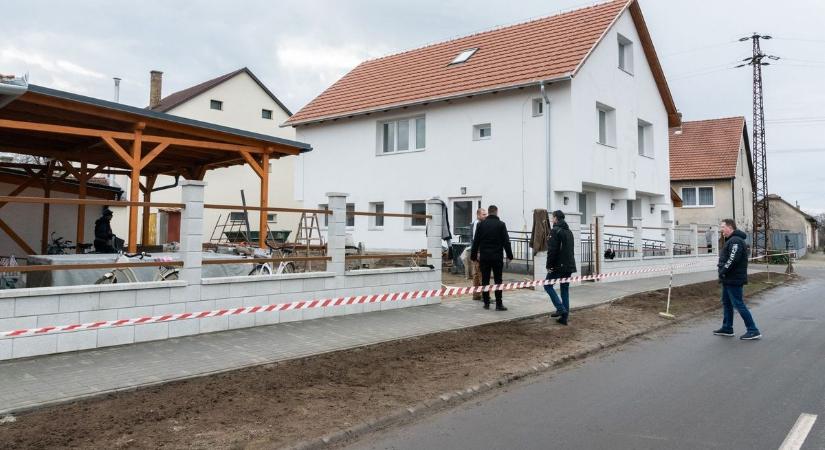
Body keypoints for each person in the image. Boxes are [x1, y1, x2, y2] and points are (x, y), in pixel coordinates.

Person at [714, 219, 761, 340]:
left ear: (730, 227)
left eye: (723, 227)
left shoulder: (735, 241)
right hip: (728, 279)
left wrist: (723, 271)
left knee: (738, 304)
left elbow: (732, 259)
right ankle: (727, 328)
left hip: (734, 279)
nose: (721, 229)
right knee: (727, 303)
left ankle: (753, 330)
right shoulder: (731, 240)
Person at [471, 205, 513, 311]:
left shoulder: (481, 225)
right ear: (496, 212)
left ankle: (486, 303)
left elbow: (476, 241)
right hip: (497, 257)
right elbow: (506, 242)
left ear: (489, 213)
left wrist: (473, 256)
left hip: (484, 257)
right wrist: (510, 255)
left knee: (485, 279)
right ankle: (499, 304)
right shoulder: (501, 225)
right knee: (498, 280)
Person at [544, 210, 577, 325]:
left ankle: (560, 308)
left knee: (547, 285)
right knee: (564, 290)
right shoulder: (569, 232)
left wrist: (549, 266)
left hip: (558, 266)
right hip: (569, 266)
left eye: (553, 218)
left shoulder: (555, 231)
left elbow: (552, 251)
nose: (552, 220)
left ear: (556, 218)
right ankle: (564, 318)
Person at [461, 208, 487, 300]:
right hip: (478, 252)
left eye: (486, 214)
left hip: (475, 251)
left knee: (476, 273)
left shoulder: (476, 223)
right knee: (481, 273)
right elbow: (477, 239)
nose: (485, 216)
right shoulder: (477, 224)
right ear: (478, 215)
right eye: (483, 214)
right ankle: (485, 295)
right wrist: (479, 252)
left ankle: (476, 295)